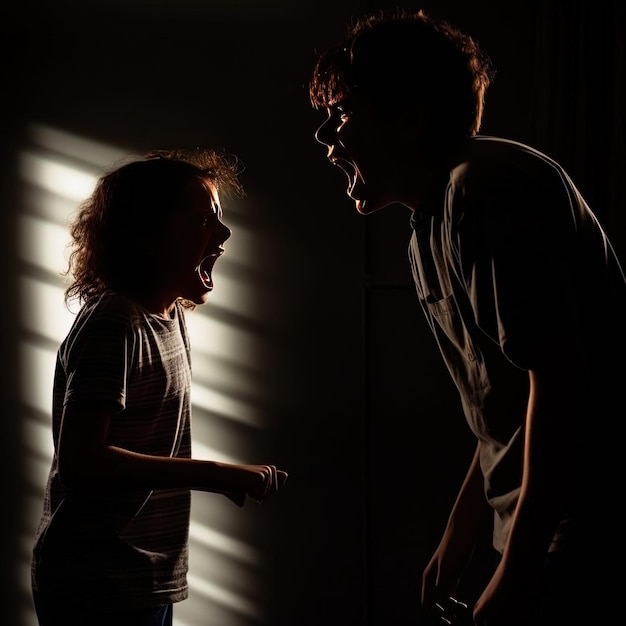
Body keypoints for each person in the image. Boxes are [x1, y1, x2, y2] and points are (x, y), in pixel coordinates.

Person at [310, 8, 626, 626]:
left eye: (343, 114)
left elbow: (559, 382)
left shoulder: (482, 187)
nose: (328, 138)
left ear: (411, 116)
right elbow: (501, 407)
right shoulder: (426, 222)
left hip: (588, 528)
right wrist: (460, 534)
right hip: (541, 531)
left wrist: (520, 569)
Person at [30, 148, 288, 626]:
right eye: (203, 222)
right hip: (95, 585)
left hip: (145, 578)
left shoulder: (169, 317)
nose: (224, 235)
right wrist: (216, 474)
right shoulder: (114, 322)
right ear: (146, 236)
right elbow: (82, 461)